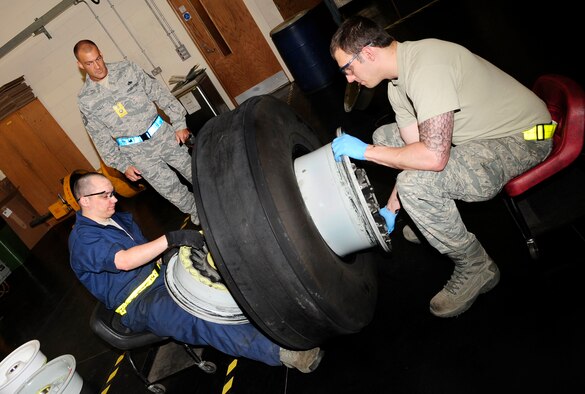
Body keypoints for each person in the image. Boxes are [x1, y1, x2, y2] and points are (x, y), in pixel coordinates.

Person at [329, 16, 554, 318]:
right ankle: (427, 217)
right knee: (387, 138)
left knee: (416, 185)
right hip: (481, 134)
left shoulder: (426, 66)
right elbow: (412, 152)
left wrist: (367, 153)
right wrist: (393, 209)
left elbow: (433, 159)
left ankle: (476, 266)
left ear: (368, 53)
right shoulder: (397, 85)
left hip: (526, 137)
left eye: (348, 68)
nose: (349, 79)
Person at [68, 172, 324, 373]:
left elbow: (147, 251)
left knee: (223, 268)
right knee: (198, 316)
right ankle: (281, 352)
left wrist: (171, 253)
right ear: (85, 201)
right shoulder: (83, 238)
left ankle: (280, 316)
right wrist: (171, 239)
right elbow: (123, 261)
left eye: (113, 193)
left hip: (160, 274)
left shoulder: (118, 219)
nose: (114, 199)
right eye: (106, 196)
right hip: (140, 302)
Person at [74, 39, 200, 226]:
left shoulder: (127, 69)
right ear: (80, 65)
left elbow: (160, 93)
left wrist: (179, 122)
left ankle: (220, 198)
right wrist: (122, 164)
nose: (98, 66)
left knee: (195, 171)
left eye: (98, 58)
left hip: (162, 135)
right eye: (90, 63)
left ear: (101, 53)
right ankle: (200, 215)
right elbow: (100, 138)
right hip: (136, 153)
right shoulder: (85, 100)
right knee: (171, 189)